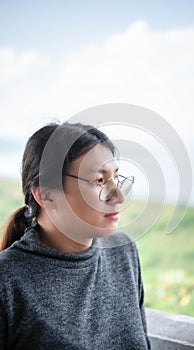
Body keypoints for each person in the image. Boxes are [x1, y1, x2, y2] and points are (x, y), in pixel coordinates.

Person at [0, 122, 151, 350]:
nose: (118, 196)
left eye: (115, 179)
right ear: (46, 194)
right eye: (100, 180)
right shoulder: (7, 281)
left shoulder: (123, 251)